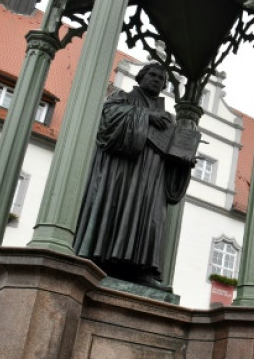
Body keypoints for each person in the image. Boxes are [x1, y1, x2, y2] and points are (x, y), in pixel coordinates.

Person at [74, 63, 196, 286]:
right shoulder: (122, 97)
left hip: (152, 178)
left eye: (162, 78)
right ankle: (102, 262)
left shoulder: (168, 117)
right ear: (141, 77)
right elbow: (108, 119)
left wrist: (183, 161)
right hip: (121, 172)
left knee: (151, 219)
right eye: (153, 75)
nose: (157, 80)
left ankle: (143, 271)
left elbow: (172, 150)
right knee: (116, 210)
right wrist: (146, 115)